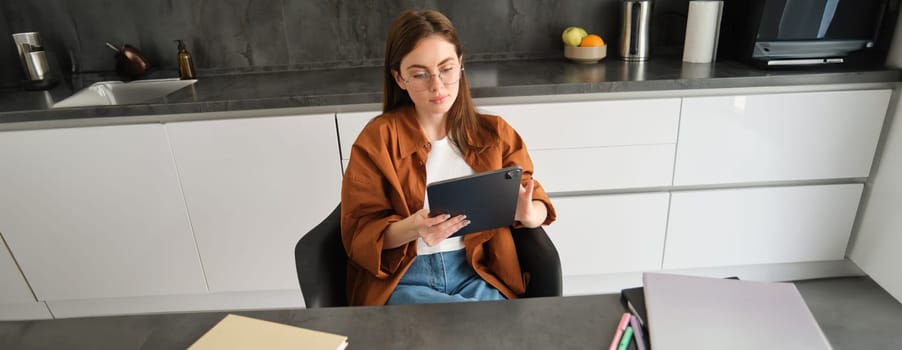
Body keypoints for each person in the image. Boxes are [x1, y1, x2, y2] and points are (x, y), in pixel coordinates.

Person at [340, 9, 556, 306]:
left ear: (461, 65)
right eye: (419, 74)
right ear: (399, 79)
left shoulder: (496, 133)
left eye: (446, 69)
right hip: (406, 278)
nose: (437, 85)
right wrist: (413, 228)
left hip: (480, 271)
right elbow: (358, 236)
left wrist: (529, 214)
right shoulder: (378, 140)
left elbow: (536, 200)